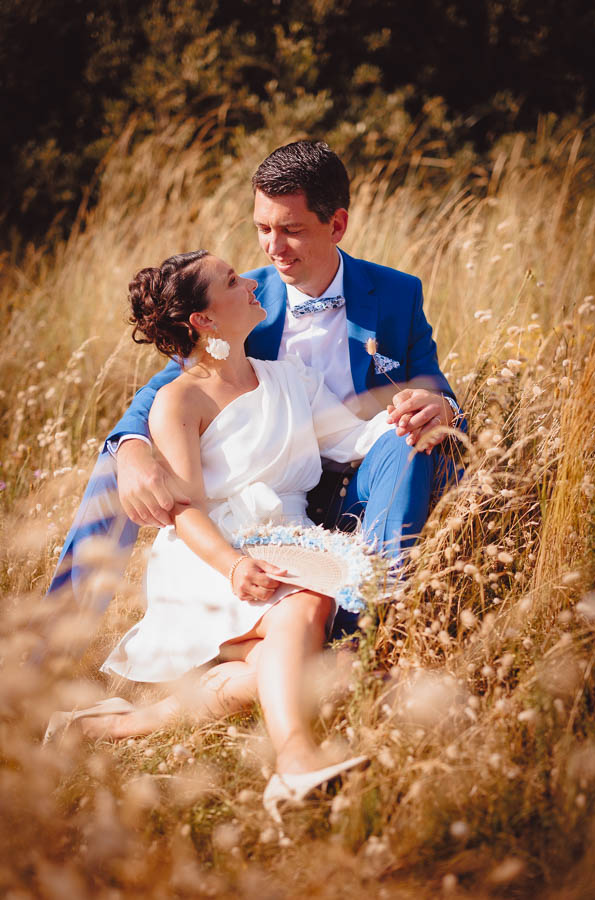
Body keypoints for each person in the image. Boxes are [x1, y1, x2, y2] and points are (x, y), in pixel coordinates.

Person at [47, 140, 463, 640]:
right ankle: (53, 645)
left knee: (409, 437)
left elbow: (431, 379)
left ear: (336, 225)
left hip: (361, 482)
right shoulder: (241, 301)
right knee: (118, 472)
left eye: (290, 230)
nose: (272, 246)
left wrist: (439, 404)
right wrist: (130, 449)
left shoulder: (397, 292)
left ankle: (368, 629)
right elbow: (168, 390)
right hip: (264, 498)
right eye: (262, 228)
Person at [46, 248, 400, 816]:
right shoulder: (178, 400)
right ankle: (294, 762)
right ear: (204, 322)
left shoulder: (293, 380)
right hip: (211, 551)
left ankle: (116, 726)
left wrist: (415, 409)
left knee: (331, 669)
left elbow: (356, 440)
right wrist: (231, 565)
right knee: (308, 610)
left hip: (290, 538)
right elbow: (183, 508)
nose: (253, 286)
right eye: (234, 282)